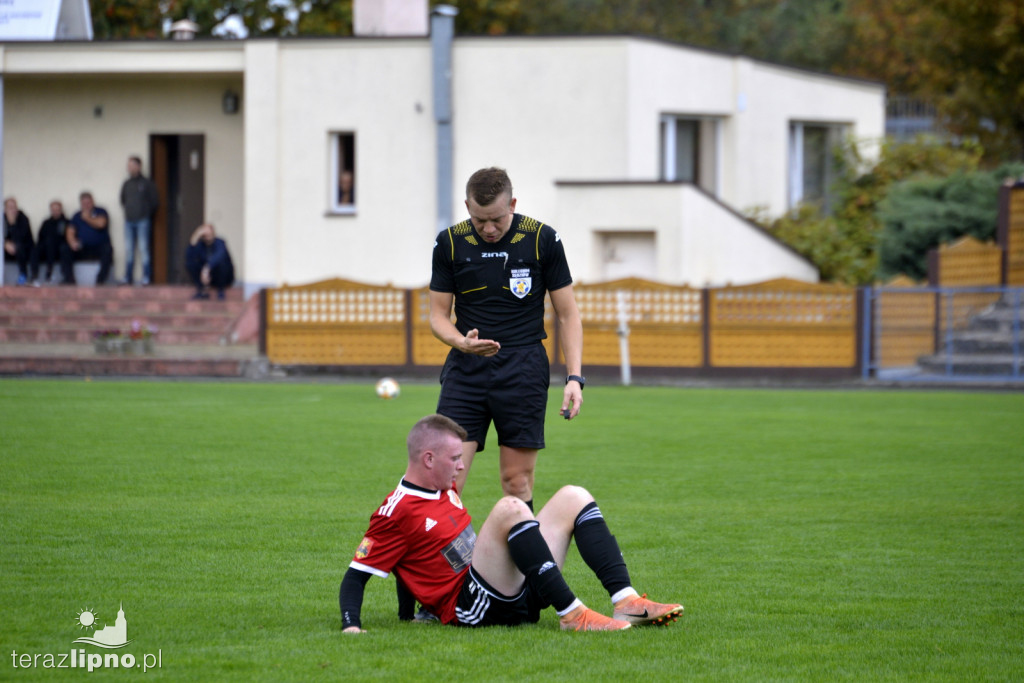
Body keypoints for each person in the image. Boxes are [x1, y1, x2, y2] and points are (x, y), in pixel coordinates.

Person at [339, 414, 683, 633]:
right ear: (428, 460)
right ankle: (572, 615)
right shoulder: (394, 512)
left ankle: (626, 602)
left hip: (505, 592)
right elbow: (357, 575)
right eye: (455, 458)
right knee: (510, 507)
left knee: (573, 496)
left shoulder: (444, 489)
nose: (462, 466)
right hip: (473, 606)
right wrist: (351, 626)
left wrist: (408, 614)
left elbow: (416, 553)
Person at [429, 167, 585, 510]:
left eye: (496, 219)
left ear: (512, 204)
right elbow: (438, 315)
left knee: (517, 481)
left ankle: (520, 564)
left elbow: (568, 314)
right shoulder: (450, 242)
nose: (488, 228)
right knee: (446, 481)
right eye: (478, 219)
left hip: (523, 369)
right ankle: (447, 565)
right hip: (465, 370)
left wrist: (574, 377)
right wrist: (461, 343)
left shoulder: (542, 239)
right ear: (467, 205)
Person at [119, 155, 160, 285]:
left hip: (143, 221)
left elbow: (155, 202)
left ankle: (146, 277)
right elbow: (123, 200)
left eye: (131, 165)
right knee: (129, 250)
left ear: (138, 166)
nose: (128, 168)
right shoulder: (126, 183)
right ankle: (128, 277)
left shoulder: (147, 183)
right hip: (129, 221)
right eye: (128, 165)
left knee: (143, 249)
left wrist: (146, 213)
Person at [60, 192, 113, 285]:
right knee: (65, 248)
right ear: (81, 204)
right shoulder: (77, 215)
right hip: (82, 248)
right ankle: (69, 280)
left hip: (98, 247)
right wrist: (72, 242)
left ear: (93, 201)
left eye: (88, 203)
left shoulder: (101, 211)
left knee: (108, 249)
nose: (86, 205)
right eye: (84, 203)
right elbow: (70, 231)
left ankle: (100, 280)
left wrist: (87, 218)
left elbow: (101, 224)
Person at [185, 223, 234, 300]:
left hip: (222, 278)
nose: (207, 237)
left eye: (209, 234)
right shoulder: (200, 245)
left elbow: (220, 255)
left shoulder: (220, 242)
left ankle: (221, 290)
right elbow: (189, 256)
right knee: (191, 263)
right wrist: (195, 237)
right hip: (207, 278)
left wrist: (207, 268)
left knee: (222, 263)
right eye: (205, 234)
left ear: (213, 233)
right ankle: (201, 290)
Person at [31, 200, 70, 285]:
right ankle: (34, 275)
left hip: (60, 249)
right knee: (35, 250)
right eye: (53, 209)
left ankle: (50, 271)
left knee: (52, 243)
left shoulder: (66, 222)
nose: (55, 212)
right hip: (46, 249)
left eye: (57, 209)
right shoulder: (46, 223)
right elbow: (40, 237)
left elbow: (67, 238)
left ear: (61, 210)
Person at [3, 197, 34, 286]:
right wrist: (5, 244)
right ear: (5, 209)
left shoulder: (23, 218)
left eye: (14, 207)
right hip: (7, 250)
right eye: (10, 207)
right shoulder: (2, 219)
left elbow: (21, 237)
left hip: (23, 249)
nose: (13, 210)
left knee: (19, 246)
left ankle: (23, 275)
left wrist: (12, 224)